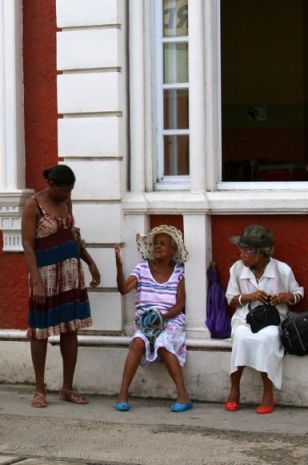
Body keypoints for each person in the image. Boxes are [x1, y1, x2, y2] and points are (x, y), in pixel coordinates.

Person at [20, 164, 100, 408]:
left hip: (70, 273)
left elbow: (73, 235)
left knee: (70, 330)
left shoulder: (67, 201)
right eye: (64, 190)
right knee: (40, 332)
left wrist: (90, 263)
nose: (68, 194)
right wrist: (37, 283)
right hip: (44, 275)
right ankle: (39, 389)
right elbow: (28, 245)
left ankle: (67, 388)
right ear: (51, 185)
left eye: (71, 190)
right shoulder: (34, 205)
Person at [224, 224, 305, 414]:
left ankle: (268, 393)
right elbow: (231, 299)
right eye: (240, 249)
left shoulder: (282, 270)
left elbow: (298, 292)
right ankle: (234, 390)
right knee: (241, 336)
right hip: (245, 318)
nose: (241, 254)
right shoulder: (237, 269)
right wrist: (249, 297)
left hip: (273, 321)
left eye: (246, 250)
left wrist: (287, 297)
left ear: (260, 253)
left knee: (267, 339)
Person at [113, 225, 192, 412]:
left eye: (163, 244)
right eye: (155, 243)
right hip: (145, 321)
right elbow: (123, 289)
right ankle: (123, 394)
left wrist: (162, 317)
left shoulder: (179, 271)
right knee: (138, 343)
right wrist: (119, 265)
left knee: (163, 342)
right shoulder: (142, 268)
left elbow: (180, 304)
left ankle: (183, 395)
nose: (157, 246)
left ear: (173, 250)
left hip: (170, 320)